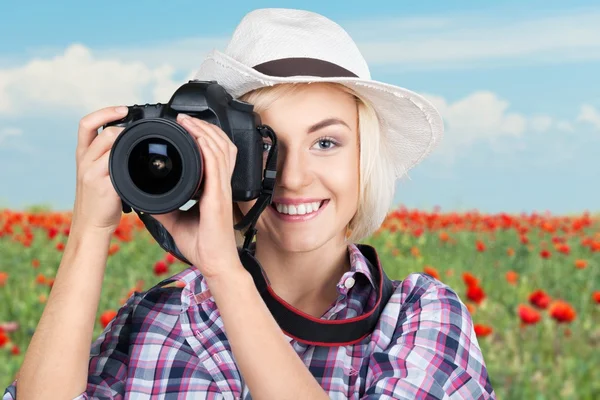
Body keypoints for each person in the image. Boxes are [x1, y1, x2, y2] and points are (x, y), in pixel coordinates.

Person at [4, 8, 496, 400]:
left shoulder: (418, 317)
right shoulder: (160, 316)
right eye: (265, 146)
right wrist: (90, 231)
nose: (296, 177)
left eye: (326, 143)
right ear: (221, 156)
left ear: (365, 158)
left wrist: (226, 274)